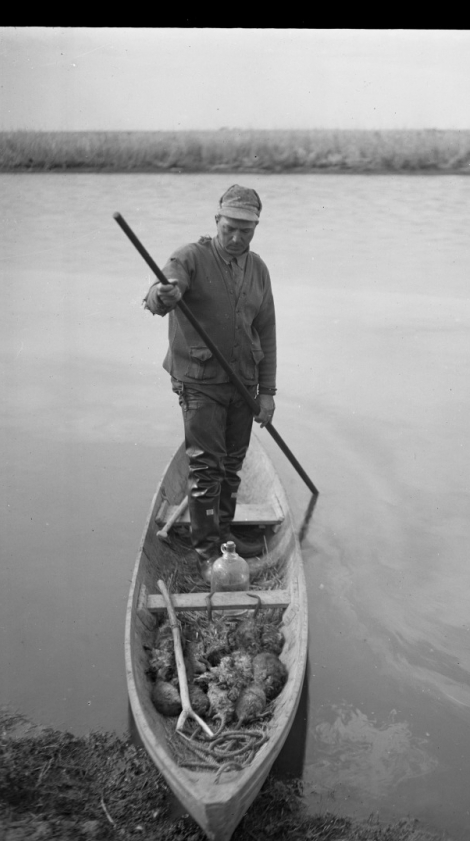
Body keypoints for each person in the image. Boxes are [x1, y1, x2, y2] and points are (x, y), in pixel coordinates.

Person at [143, 185, 277, 581]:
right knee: (206, 468)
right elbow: (160, 292)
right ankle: (206, 552)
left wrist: (266, 391)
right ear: (216, 220)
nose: (236, 238)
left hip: (243, 385)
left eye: (246, 231)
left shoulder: (259, 269)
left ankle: (225, 536)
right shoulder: (190, 258)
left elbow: (266, 331)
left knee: (232, 464)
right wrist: (161, 295)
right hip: (199, 383)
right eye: (230, 228)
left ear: (255, 228)